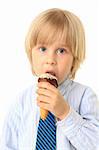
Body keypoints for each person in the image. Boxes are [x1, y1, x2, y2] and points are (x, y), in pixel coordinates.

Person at [1, 8, 99, 150]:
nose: (50, 59)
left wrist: (65, 113)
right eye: (42, 49)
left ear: (74, 59)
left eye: (61, 51)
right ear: (31, 55)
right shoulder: (21, 103)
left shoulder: (85, 97)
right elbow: (7, 145)